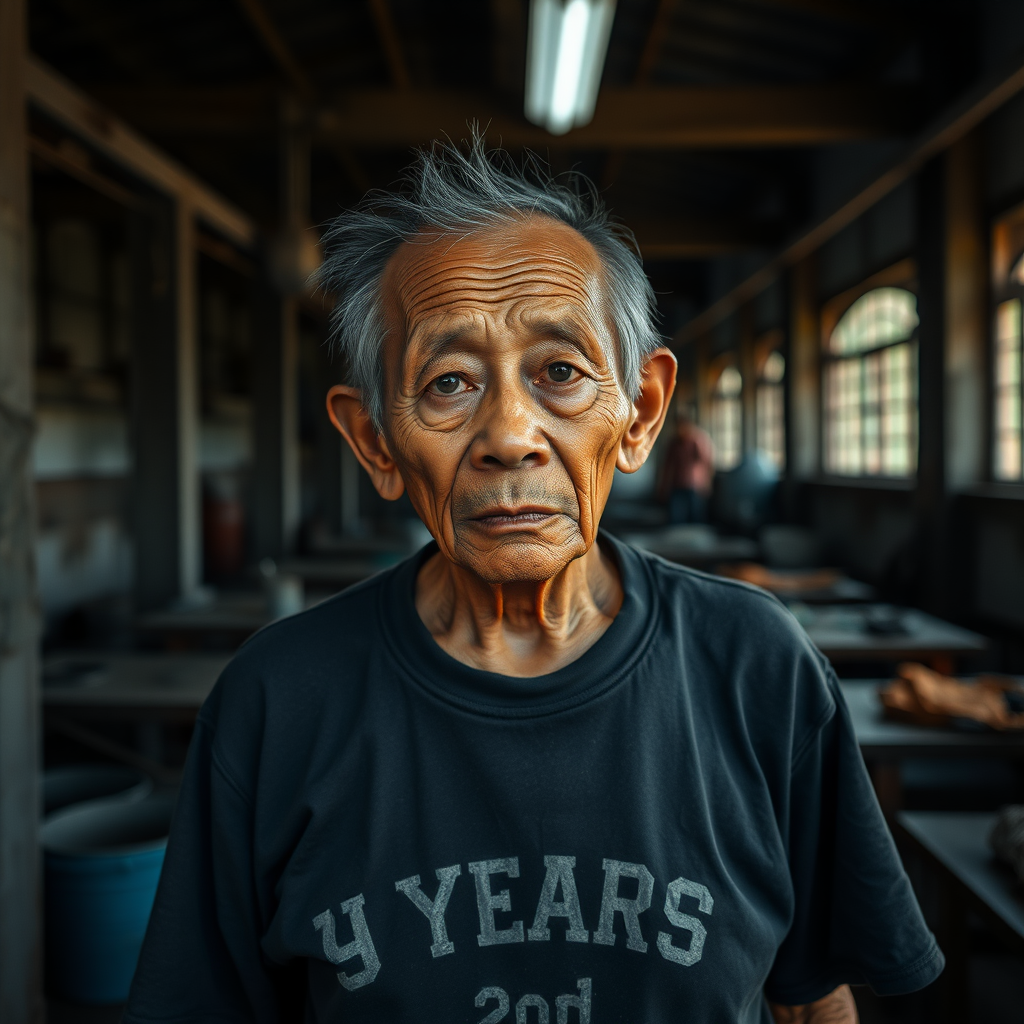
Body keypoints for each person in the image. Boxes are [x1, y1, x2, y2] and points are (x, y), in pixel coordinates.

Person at [124, 136, 942, 1024]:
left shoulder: (755, 667)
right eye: (447, 382)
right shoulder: (277, 700)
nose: (509, 434)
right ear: (374, 443)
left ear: (640, 415)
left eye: (559, 373)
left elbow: (812, 995)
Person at [658, 416, 714, 523]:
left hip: (695, 486)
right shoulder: (673, 444)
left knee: (696, 518)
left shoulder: (698, 441)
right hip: (677, 485)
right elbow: (667, 467)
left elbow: (706, 463)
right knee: (675, 518)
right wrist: (663, 487)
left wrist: (707, 484)